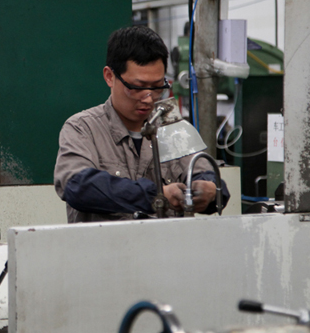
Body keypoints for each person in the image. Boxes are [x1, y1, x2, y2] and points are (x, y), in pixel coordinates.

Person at [54, 26, 229, 223]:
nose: (148, 98)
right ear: (110, 76)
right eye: (137, 87)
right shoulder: (83, 129)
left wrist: (210, 189)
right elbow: (77, 186)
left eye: (157, 87)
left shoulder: (173, 129)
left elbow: (212, 182)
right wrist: (156, 196)